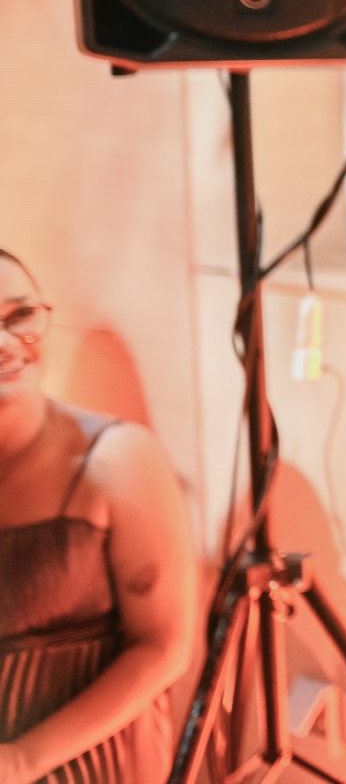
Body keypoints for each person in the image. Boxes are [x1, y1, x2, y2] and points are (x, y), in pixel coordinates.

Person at [0, 248, 197, 784]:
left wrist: (22, 759)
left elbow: (164, 646)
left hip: (88, 763)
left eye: (21, 315)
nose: (7, 343)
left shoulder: (117, 458)